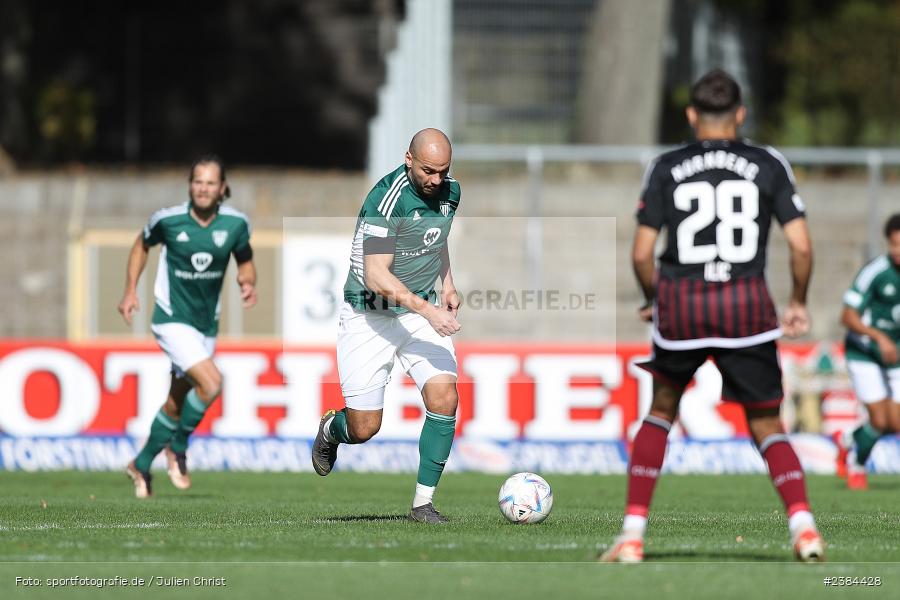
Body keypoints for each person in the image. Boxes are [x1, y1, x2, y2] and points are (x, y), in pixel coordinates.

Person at [600, 70, 824, 562]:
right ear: (740, 113)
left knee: (660, 413)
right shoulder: (768, 163)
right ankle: (804, 528)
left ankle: (633, 535)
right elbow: (802, 245)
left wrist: (654, 296)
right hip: (747, 306)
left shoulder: (665, 165)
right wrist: (799, 301)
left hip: (682, 304)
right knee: (767, 423)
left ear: (691, 114)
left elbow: (642, 253)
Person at [311, 128, 461, 524]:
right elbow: (377, 276)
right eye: (428, 171)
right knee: (364, 427)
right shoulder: (386, 199)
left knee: (445, 397)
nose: (436, 180)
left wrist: (447, 284)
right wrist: (431, 313)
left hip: (418, 309)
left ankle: (422, 504)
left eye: (443, 172)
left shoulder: (450, 192)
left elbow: (436, 237)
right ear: (408, 159)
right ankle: (332, 429)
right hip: (369, 314)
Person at [118, 154, 257, 498]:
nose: (203, 188)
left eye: (210, 183)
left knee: (176, 403)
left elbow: (246, 261)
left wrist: (247, 281)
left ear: (222, 188)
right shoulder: (168, 220)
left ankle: (141, 464)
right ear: (190, 184)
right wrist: (131, 290)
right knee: (211, 383)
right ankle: (178, 448)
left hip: (205, 325)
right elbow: (141, 245)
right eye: (197, 181)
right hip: (171, 319)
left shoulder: (236, 225)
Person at [833, 214, 900, 490]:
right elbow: (847, 316)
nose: (899, 251)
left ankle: (849, 438)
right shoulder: (875, 272)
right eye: (895, 244)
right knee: (880, 419)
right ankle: (857, 464)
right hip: (864, 353)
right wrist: (879, 338)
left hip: (895, 357)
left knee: (894, 422)